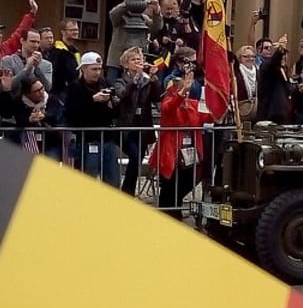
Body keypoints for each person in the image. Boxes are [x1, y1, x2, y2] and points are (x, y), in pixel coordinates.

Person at [149, 74, 208, 220]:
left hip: (190, 151)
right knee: (170, 184)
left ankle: (174, 207)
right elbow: (170, 107)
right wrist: (180, 95)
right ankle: (167, 212)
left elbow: (208, 116)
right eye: (182, 89)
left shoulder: (193, 104)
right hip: (171, 151)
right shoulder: (167, 102)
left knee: (189, 180)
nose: (186, 91)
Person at [64, 52, 121, 187]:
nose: (97, 72)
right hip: (88, 139)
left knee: (113, 179)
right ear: (84, 69)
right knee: (88, 177)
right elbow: (71, 113)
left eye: (99, 69)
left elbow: (116, 112)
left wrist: (111, 103)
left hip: (107, 138)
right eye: (93, 69)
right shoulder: (75, 87)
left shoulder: (105, 83)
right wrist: (93, 100)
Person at [114, 46, 162, 197]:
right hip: (126, 126)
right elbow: (123, 96)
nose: (137, 62)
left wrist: (153, 78)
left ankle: (128, 192)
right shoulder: (120, 81)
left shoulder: (147, 80)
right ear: (126, 64)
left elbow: (156, 97)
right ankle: (127, 192)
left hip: (143, 125)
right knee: (134, 157)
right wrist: (134, 82)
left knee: (137, 162)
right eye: (133, 60)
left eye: (139, 59)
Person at [12, 76, 63, 161]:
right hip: (27, 143)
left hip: (50, 143)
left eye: (42, 88)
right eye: (36, 91)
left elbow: (58, 114)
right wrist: (29, 119)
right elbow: (17, 120)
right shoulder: (19, 102)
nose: (41, 92)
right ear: (27, 94)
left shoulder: (52, 99)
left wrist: (44, 115)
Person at [256, 35, 291, 124]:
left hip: (282, 113)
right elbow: (273, 62)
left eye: (285, 55)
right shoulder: (266, 66)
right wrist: (280, 50)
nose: (284, 57)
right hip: (269, 113)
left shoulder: (283, 70)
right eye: (282, 55)